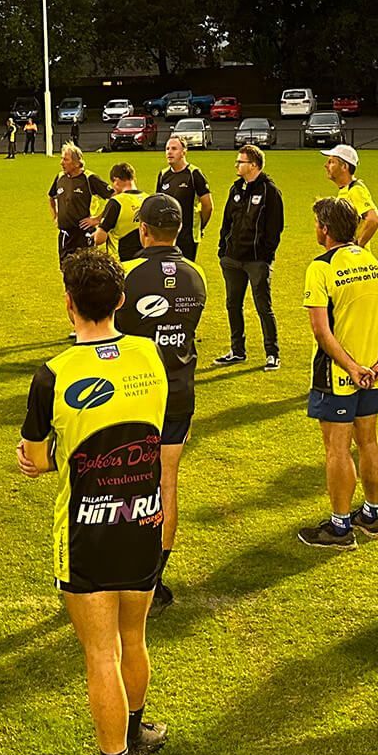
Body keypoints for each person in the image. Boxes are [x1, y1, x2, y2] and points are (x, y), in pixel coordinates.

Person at [17, 247, 169, 755]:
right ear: (122, 302)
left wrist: (50, 456)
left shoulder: (53, 374)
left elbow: (36, 459)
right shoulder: (150, 356)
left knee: (100, 653)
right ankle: (134, 734)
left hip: (88, 530)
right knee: (135, 637)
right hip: (145, 519)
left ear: (69, 303)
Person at [116, 195, 207, 613]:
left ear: (143, 230)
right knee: (166, 481)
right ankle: (154, 578)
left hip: (134, 393)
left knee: (125, 482)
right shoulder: (197, 275)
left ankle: (121, 571)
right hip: (178, 392)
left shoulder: (127, 274)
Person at [295, 197, 378, 549]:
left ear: (324, 229)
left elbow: (321, 331)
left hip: (339, 374)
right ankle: (372, 515)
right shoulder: (372, 261)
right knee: (369, 441)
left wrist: (350, 368)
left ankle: (340, 528)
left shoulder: (320, 268)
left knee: (337, 448)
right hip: (373, 371)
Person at [213, 144, 285, 373]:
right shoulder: (236, 189)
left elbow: (275, 228)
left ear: (253, 165)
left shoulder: (270, 191)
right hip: (232, 258)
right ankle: (237, 351)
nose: (236, 165)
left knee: (263, 306)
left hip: (257, 261)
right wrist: (223, 249)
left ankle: (272, 354)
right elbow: (227, 221)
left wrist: (265, 255)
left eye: (240, 162)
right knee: (233, 305)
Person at [48, 144, 111, 266]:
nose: (61, 163)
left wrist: (97, 219)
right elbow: (51, 197)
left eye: (65, 159)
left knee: (86, 271)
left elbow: (115, 198)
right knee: (66, 271)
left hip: (83, 235)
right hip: (65, 236)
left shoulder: (89, 179)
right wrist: (56, 217)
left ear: (77, 163)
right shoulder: (60, 177)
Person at [153, 136, 212, 262]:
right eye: (167, 148)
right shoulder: (163, 175)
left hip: (187, 237)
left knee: (185, 274)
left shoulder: (194, 174)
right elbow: (158, 203)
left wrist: (199, 226)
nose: (169, 152)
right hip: (166, 237)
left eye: (174, 148)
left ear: (184, 152)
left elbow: (208, 205)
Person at [320, 145, 378, 245]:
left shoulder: (355, 190)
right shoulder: (347, 189)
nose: (326, 165)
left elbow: (374, 219)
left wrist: (357, 245)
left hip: (352, 257)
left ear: (345, 167)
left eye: (331, 162)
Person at [90, 163, 148, 262]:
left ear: (116, 180)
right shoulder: (148, 199)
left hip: (121, 262)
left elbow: (99, 239)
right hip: (144, 260)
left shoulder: (116, 202)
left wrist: (94, 234)